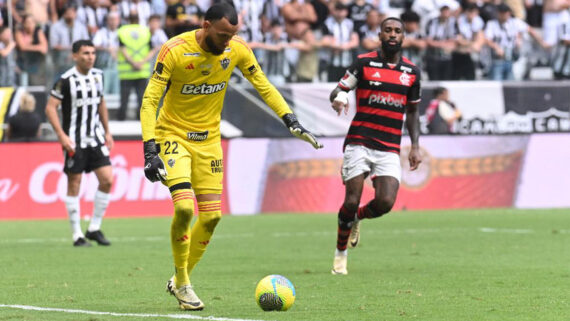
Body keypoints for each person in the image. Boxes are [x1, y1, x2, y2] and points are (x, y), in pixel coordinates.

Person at [140, 3, 322, 310]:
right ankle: (184, 283)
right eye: (223, 35)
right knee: (184, 209)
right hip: (173, 136)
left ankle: (178, 279)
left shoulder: (236, 49)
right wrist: (149, 148)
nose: (227, 42)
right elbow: (150, 101)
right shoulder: (174, 50)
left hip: (209, 141)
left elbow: (262, 84)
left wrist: (290, 119)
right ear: (206, 25)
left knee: (211, 216)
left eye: (232, 35)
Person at [328, 17, 422, 275]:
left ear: (403, 37)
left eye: (398, 31)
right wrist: (339, 98)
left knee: (385, 202)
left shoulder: (412, 73)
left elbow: (413, 113)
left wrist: (415, 145)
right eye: (388, 30)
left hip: (390, 146)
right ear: (379, 34)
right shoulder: (363, 63)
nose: (393, 34)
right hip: (359, 141)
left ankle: (356, 218)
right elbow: (338, 90)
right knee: (351, 199)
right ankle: (340, 254)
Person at [45, 40, 114, 247]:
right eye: (85, 53)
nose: (90, 56)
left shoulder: (98, 76)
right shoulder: (65, 80)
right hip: (74, 140)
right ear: (75, 56)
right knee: (74, 183)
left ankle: (94, 228)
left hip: (95, 138)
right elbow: (50, 108)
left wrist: (107, 131)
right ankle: (77, 235)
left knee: (107, 180)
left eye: (92, 53)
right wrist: (61, 135)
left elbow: (101, 102)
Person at [117, 14, 155, 120]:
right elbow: (151, 49)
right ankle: (141, 121)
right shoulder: (146, 31)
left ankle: (121, 120)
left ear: (128, 20)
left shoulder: (122, 31)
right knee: (142, 100)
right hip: (142, 71)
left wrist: (132, 62)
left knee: (124, 100)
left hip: (126, 72)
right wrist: (141, 62)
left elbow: (122, 49)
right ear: (139, 19)